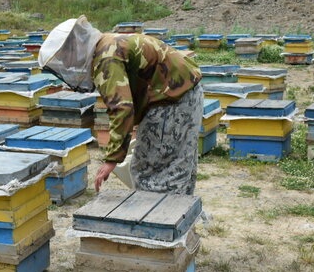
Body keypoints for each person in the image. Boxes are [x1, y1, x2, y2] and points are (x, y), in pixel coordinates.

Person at [38, 15, 203, 195]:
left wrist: (112, 159)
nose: (67, 63)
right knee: (177, 166)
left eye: (66, 57)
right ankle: (174, 218)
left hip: (173, 102)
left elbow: (121, 108)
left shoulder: (106, 57)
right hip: (182, 95)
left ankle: (161, 219)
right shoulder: (109, 44)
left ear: (76, 47)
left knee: (156, 174)